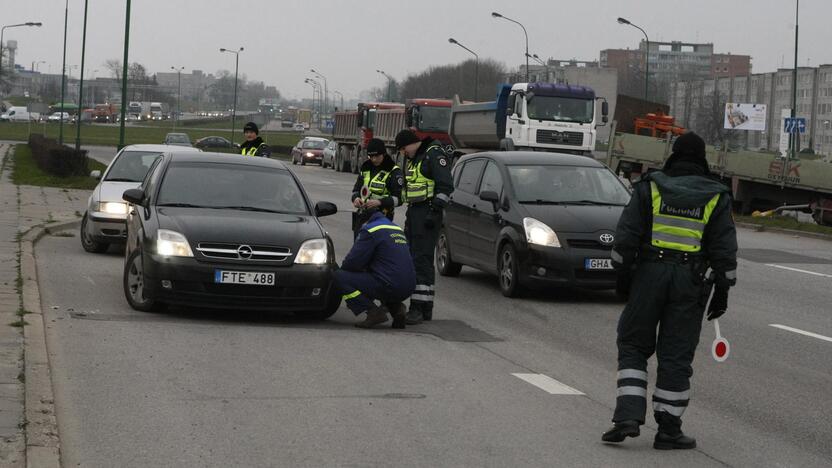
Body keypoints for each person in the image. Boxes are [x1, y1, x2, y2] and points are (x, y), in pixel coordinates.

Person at [601, 132, 737, 450]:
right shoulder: (716, 195)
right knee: (676, 354)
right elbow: (724, 248)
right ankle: (669, 429)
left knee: (634, 343)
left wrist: (623, 275)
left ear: (673, 155)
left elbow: (627, 234)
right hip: (690, 282)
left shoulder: (651, 187)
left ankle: (628, 417)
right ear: (703, 159)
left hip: (649, 275)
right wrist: (723, 290)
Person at [394, 129, 454, 325]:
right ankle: (425, 307)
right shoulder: (418, 157)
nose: (403, 153)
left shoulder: (433, 154)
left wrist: (434, 211)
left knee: (421, 260)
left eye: (403, 149)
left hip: (427, 213)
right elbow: (411, 190)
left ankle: (418, 308)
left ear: (411, 143)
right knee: (416, 259)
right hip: (415, 213)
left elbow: (445, 186)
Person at [332, 208, 416, 329]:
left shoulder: (369, 230)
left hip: (389, 284)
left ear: (364, 220)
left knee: (339, 276)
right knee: (383, 275)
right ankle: (397, 309)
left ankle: (373, 312)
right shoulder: (395, 228)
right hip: (409, 285)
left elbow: (353, 262)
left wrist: (348, 270)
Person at [350, 138, 404, 236]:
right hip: (363, 214)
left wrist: (380, 202)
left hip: (382, 217)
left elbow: (399, 199)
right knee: (359, 247)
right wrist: (356, 198)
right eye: (371, 156)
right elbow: (356, 190)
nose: (374, 159)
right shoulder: (366, 167)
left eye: (377, 156)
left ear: (383, 154)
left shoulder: (394, 171)